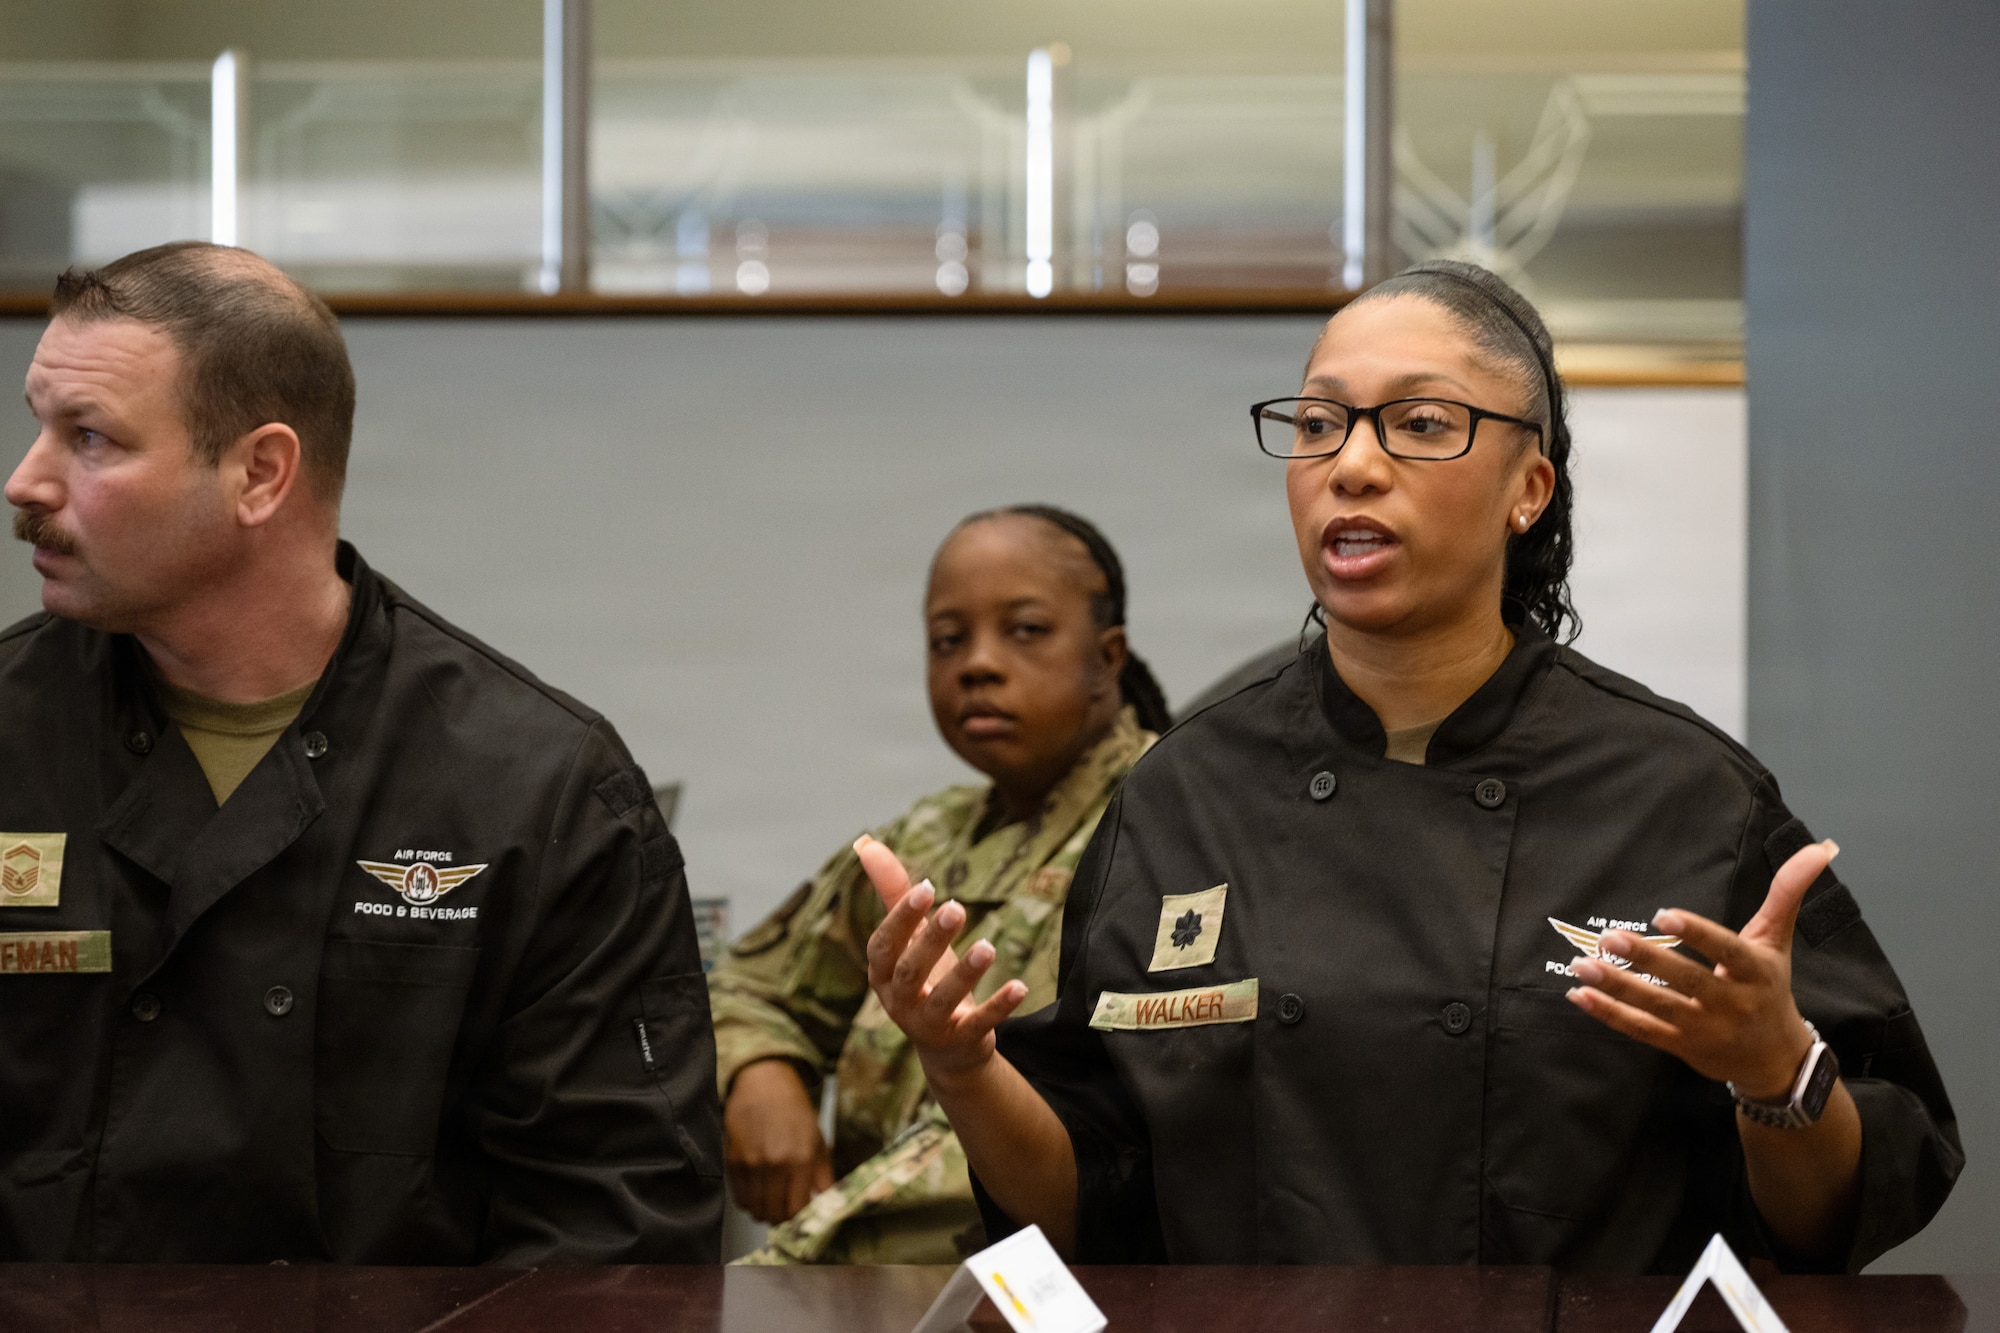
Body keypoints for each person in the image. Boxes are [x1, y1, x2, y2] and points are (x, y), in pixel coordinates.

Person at [855, 261, 1960, 1272]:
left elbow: (1842, 1217)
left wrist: (1774, 1074)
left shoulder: (1684, 796)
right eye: (1319, 423)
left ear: (1529, 488)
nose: (1352, 466)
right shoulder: (1181, 790)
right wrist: (961, 1067)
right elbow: (1087, 1215)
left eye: (1420, 423)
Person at [0, 242, 722, 1263]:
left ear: (259, 473)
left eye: (90, 438)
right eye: (39, 426)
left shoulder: (537, 791)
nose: (24, 481)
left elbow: (617, 1248)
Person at [709, 506, 1170, 1264]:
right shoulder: (929, 835)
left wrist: (801, 1264)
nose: (976, 664)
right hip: (874, 1295)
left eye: (1026, 630)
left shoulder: (1172, 822)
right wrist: (761, 1075)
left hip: (1066, 1291)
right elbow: (751, 988)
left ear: (1107, 656)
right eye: (948, 639)